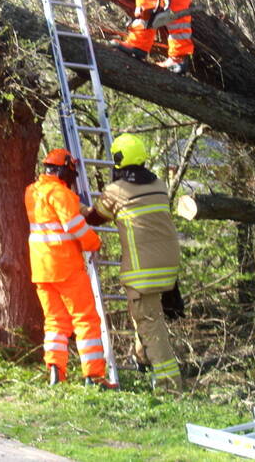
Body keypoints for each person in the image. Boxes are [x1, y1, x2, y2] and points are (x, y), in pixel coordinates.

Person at [84, 133, 183, 391]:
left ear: (118, 159)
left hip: (143, 271)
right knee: (148, 318)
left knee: (150, 324)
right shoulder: (159, 184)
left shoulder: (117, 191)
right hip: (169, 266)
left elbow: (95, 218)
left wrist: (78, 208)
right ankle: (140, 357)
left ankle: (170, 387)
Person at [24, 148, 113, 388]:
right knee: (85, 319)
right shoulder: (60, 194)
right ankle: (94, 376)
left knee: (55, 322)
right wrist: (95, 242)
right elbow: (75, 227)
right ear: (65, 170)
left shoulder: (31, 192)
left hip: (41, 269)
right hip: (65, 267)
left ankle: (56, 371)